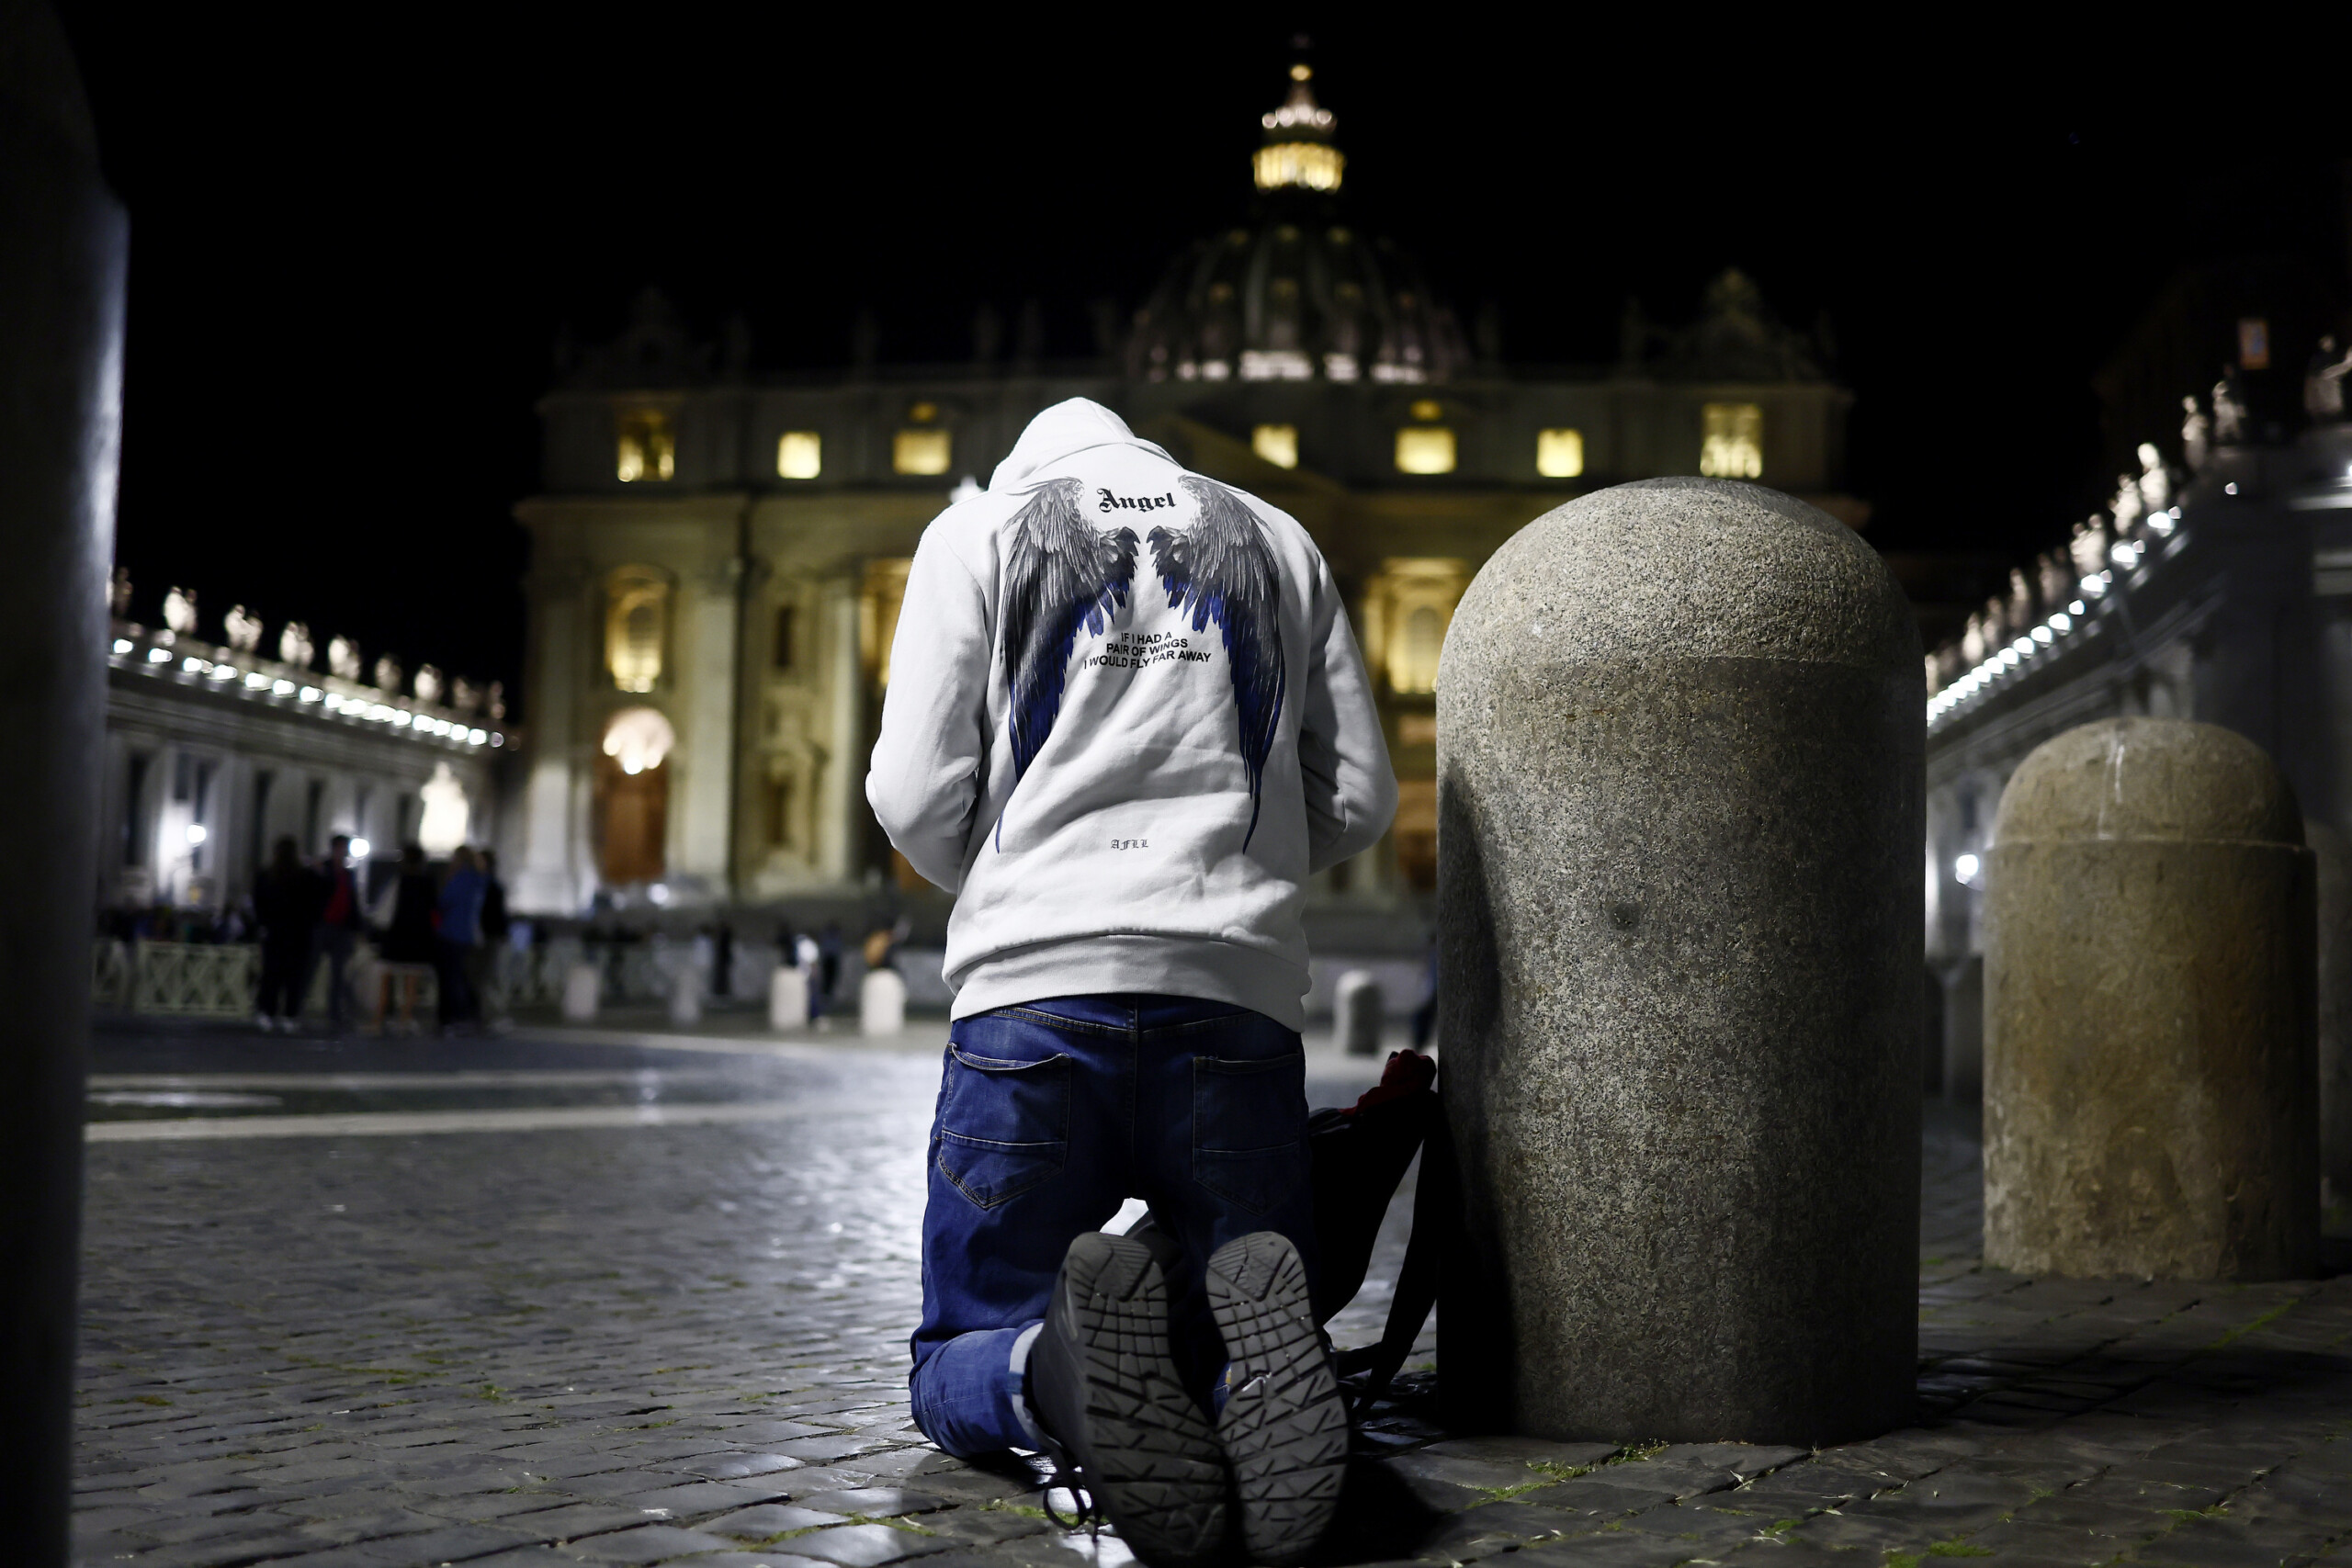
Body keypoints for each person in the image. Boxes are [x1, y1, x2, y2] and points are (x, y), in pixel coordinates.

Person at [867, 400, 1394, 1568]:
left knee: (962, 1340)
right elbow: (1360, 796)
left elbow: (909, 793)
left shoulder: (977, 529)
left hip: (1030, 998)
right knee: (1238, 1293)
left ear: (1021, 461)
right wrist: (1242, 861)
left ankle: (1042, 1369)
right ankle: (1247, 1369)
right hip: (1232, 992)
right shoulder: (1274, 533)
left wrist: (1005, 874)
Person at [252, 836, 321, 1032]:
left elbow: (258, 904)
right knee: (294, 977)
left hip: (274, 932)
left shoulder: (266, 876)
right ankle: (290, 1014)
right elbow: (317, 900)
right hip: (298, 934)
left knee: (271, 975)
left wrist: (263, 924)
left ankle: (267, 1011)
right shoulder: (305, 876)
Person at [373, 843, 439, 1033]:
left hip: (395, 937)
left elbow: (384, 911)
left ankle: (378, 1021)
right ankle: (404, 1020)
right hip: (418, 939)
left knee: (386, 982)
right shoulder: (428, 883)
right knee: (411, 983)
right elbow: (434, 912)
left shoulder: (398, 881)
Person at [311, 835, 367, 1032]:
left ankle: (335, 1012)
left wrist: (357, 927)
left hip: (341, 927)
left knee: (338, 973)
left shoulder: (347, 874)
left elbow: (352, 901)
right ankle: (297, 1009)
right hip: (323, 924)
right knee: (311, 968)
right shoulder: (324, 870)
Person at [436, 846, 486, 1029]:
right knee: (462, 976)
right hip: (468, 935)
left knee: (451, 978)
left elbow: (444, 901)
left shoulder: (459, 879)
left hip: (452, 932)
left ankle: (454, 1016)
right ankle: (468, 1014)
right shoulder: (478, 880)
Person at [477, 848, 512, 1029]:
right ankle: (488, 1015)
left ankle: (494, 1016)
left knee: (487, 978)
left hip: (489, 936)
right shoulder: (488, 884)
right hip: (488, 935)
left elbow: (496, 914)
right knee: (485, 977)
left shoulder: (489, 885)